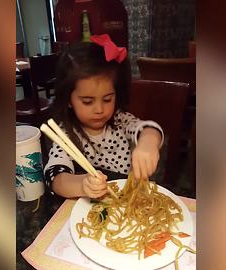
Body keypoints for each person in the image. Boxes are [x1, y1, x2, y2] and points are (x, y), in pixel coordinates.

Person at [44, 34, 164, 199]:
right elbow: (56, 179)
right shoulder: (66, 134)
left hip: (128, 200)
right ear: (69, 100)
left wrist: (148, 142)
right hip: (91, 209)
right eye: (87, 101)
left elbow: (148, 129)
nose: (99, 109)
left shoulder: (119, 120)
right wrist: (82, 184)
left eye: (107, 99)